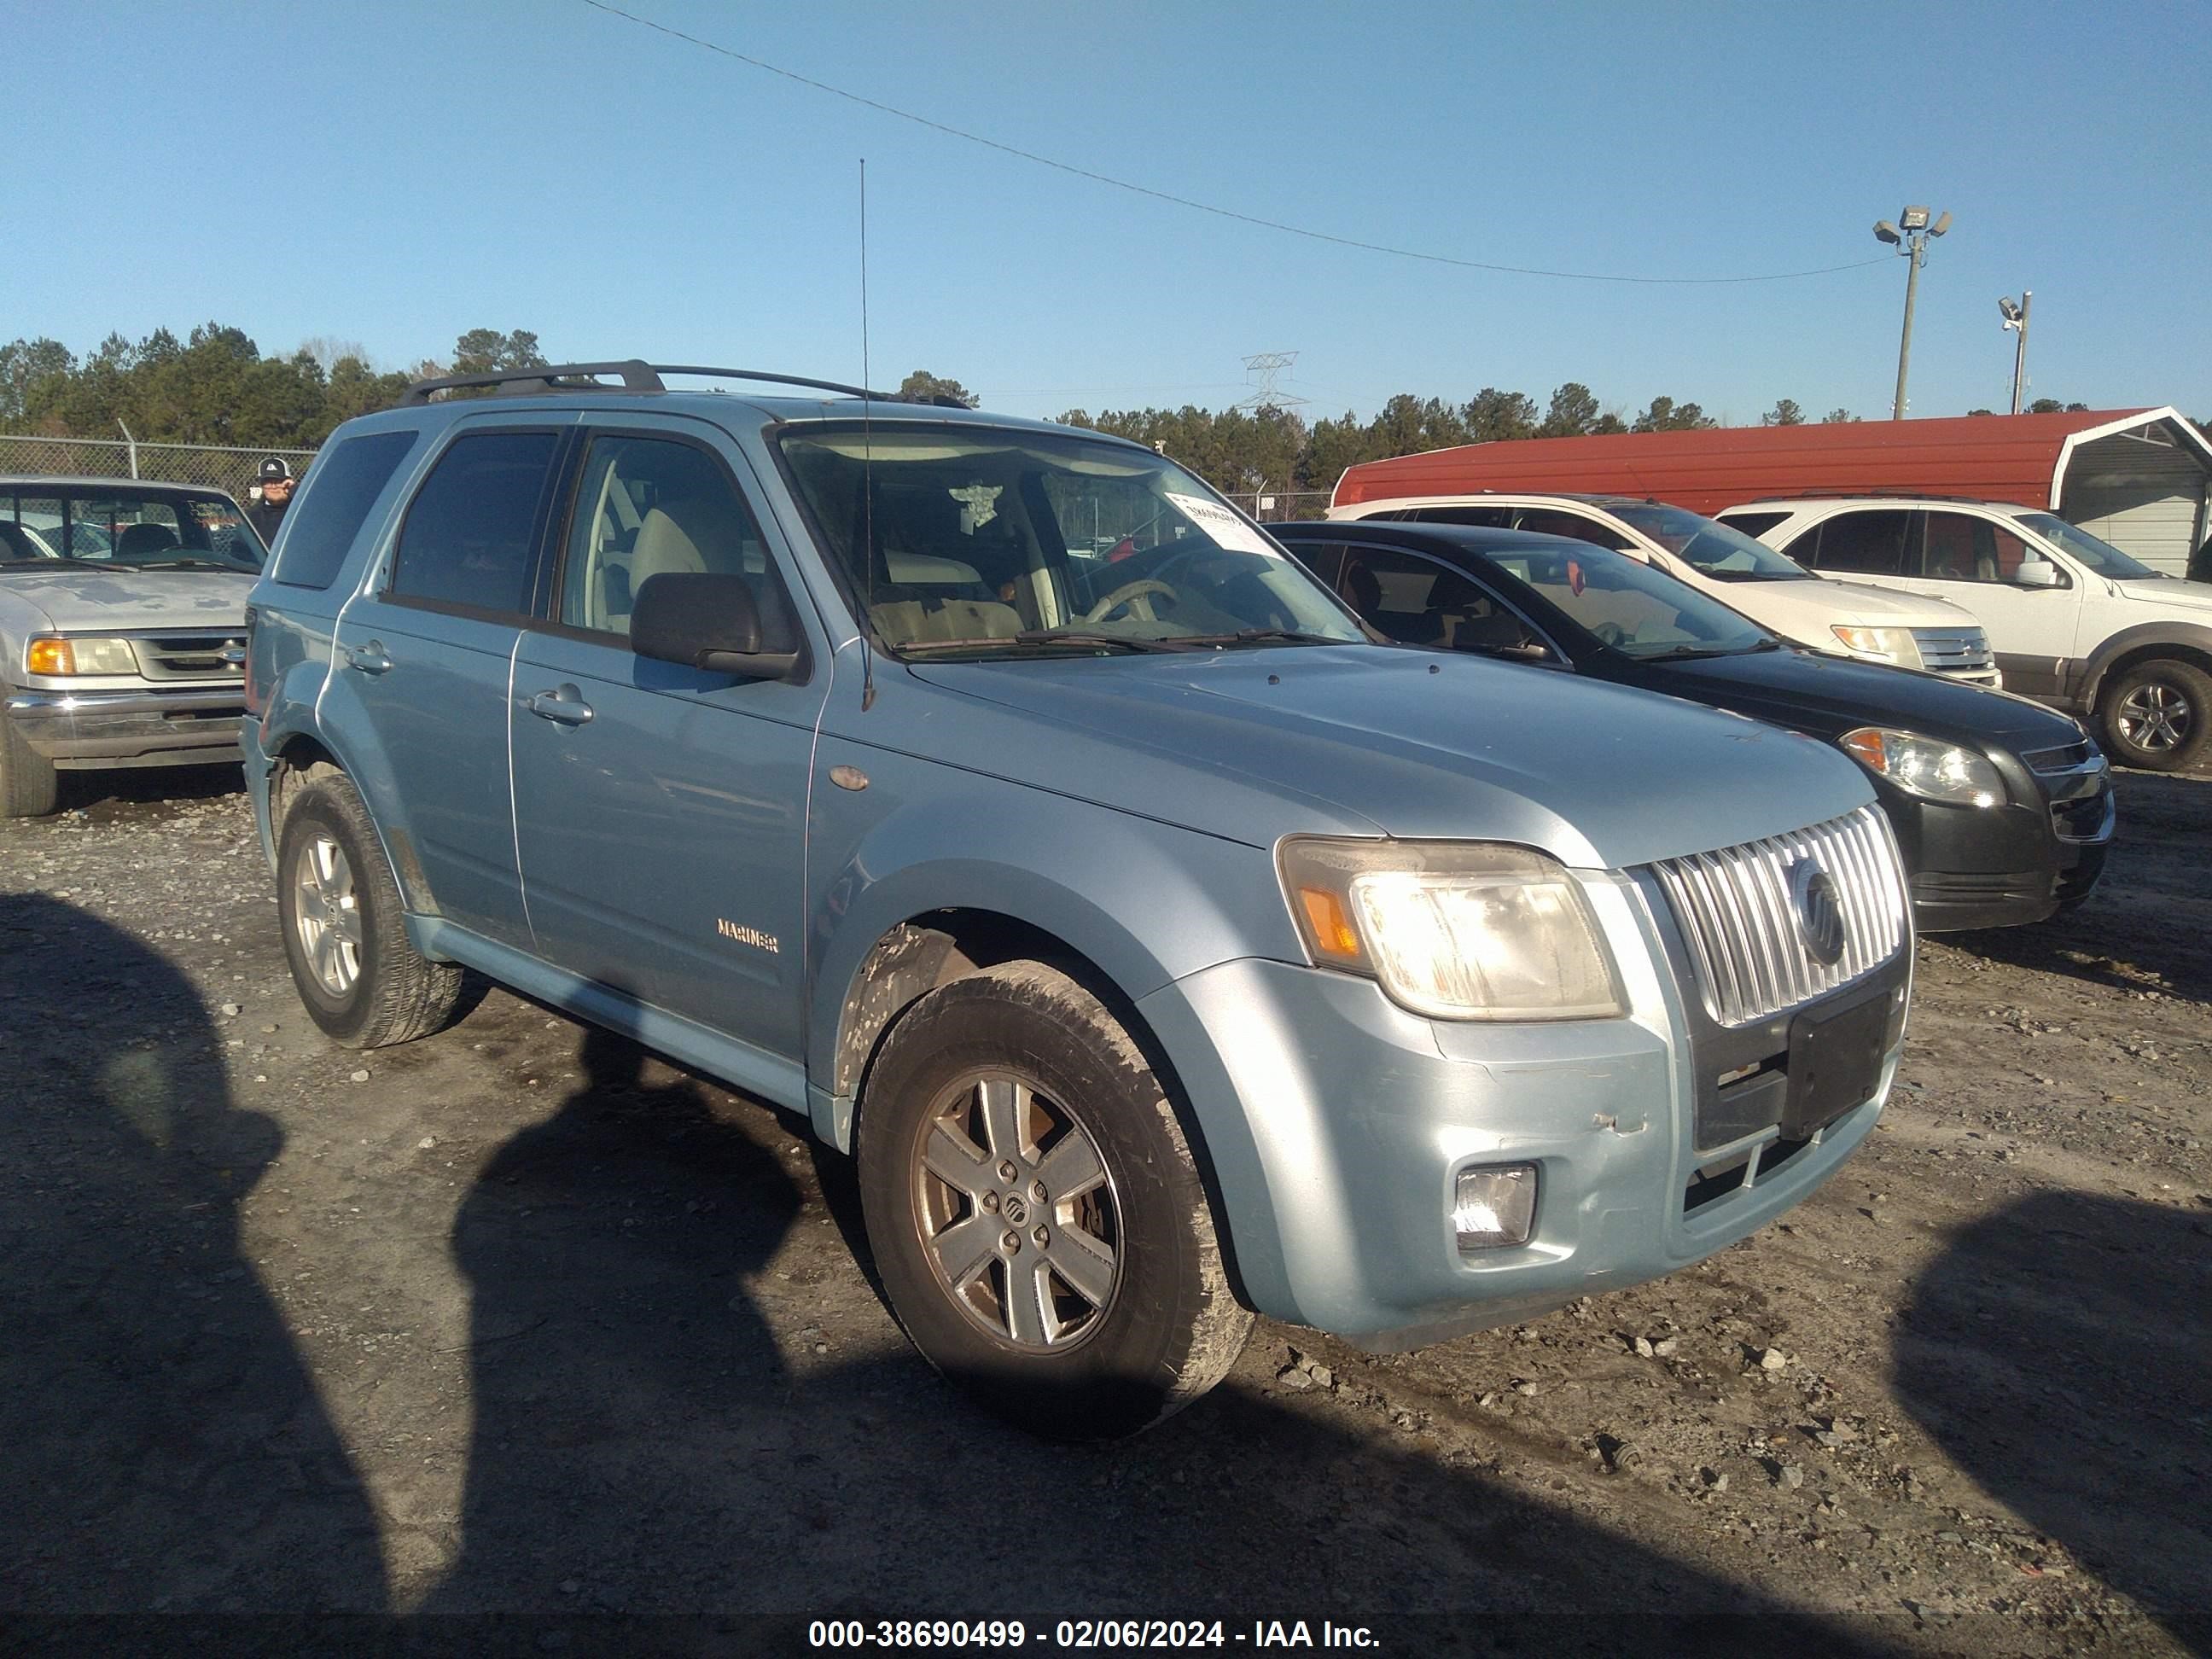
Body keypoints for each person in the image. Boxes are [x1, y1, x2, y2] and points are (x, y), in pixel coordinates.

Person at [247, 456, 294, 544]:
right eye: (268, 481)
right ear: (261, 484)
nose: (273, 487)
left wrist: (295, 490)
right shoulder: (251, 516)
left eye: (278, 481)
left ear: (288, 483)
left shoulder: (299, 511)